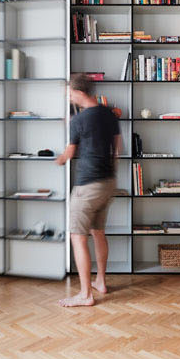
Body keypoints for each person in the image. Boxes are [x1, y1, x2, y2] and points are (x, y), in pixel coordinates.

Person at [56, 72, 121, 309]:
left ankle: (85, 295)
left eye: (70, 93)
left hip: (88, 185)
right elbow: (118, 148)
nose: (69, 97)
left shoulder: (78, 120)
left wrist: (58, 160)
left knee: (77, 236)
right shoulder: (109, 113)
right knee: (98, 232)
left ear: (79, 92)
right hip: (107, 182)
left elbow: (69, 154)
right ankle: (100, 282)